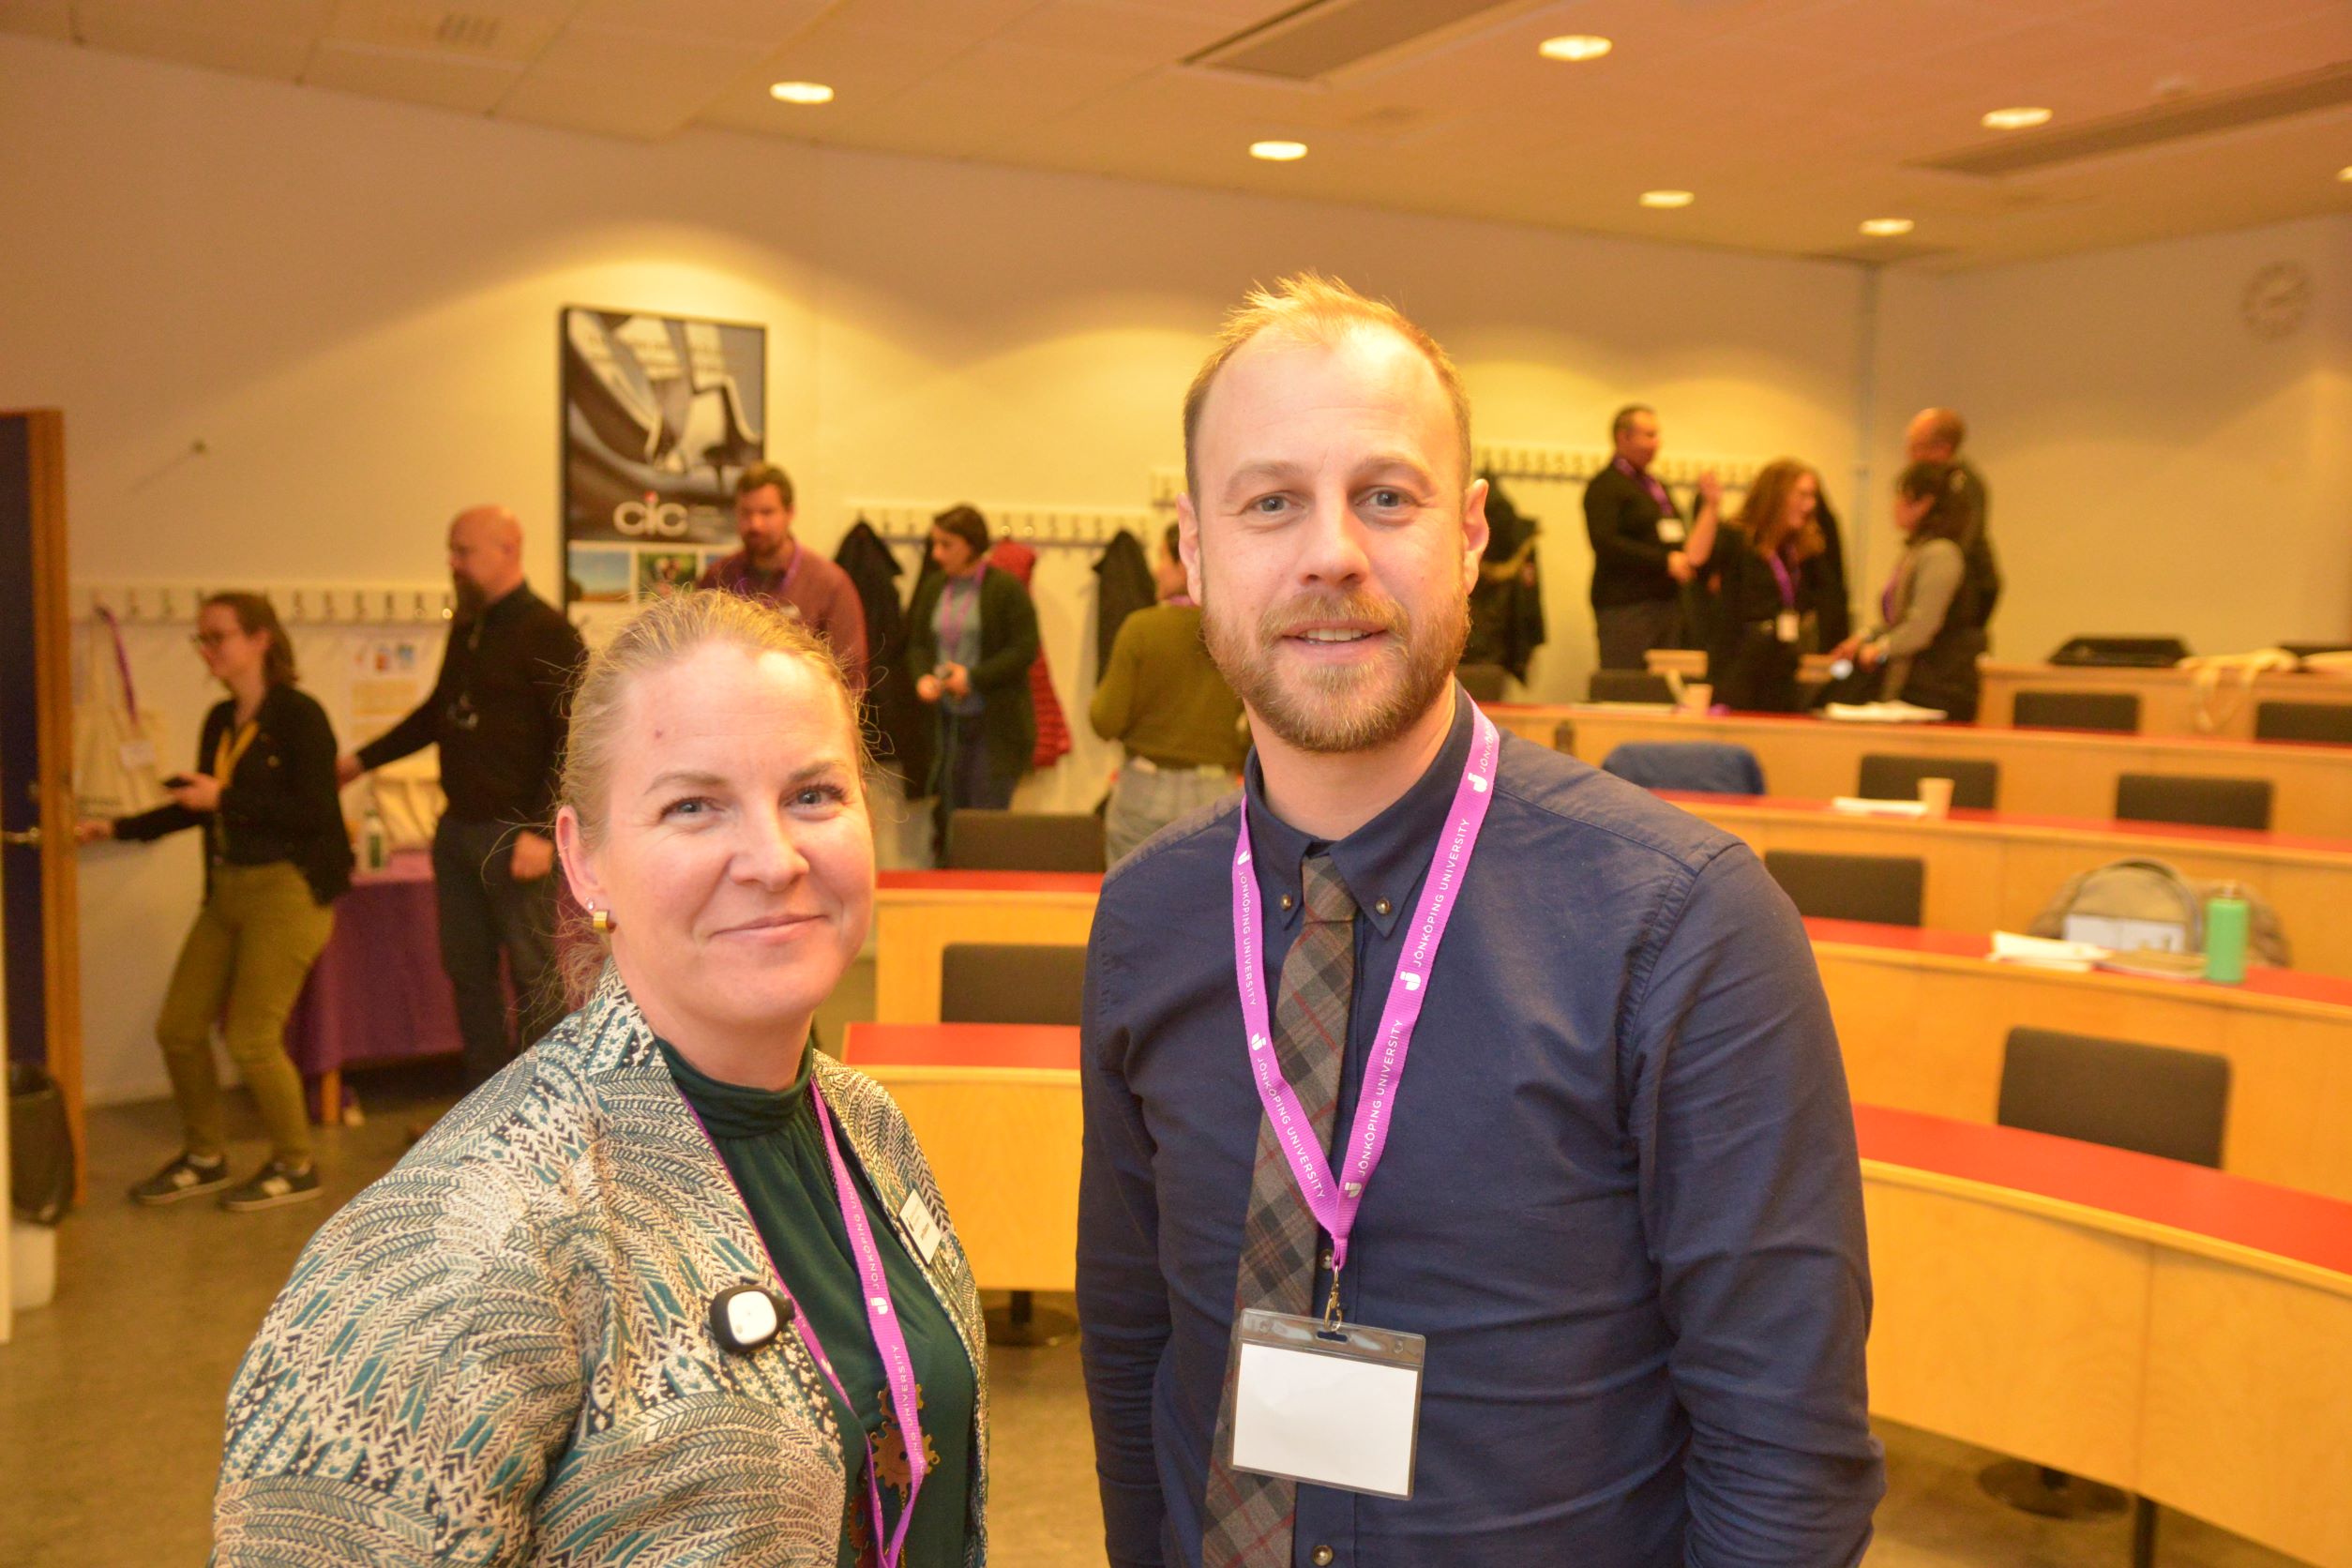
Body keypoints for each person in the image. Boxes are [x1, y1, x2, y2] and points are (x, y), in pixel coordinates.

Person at [1078, 274, 1882, 1567]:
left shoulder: (1684, 928)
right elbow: (1133, 1350)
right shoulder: (1148, 918)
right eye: (1270, 500)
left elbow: (1785, 1448)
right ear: (1192, 549)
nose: (1331, 551)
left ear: (1468, 533)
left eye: (1384, 497)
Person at [216, 594, 988, 1566]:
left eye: (813, 794)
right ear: (584, 862)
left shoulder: (868, 1127)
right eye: (693, 806)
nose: (774, 858)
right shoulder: (451, 1247)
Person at [80, 594, 351, 1211]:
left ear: (260, 639)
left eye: (218, 637)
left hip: (287, 891)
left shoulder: (300, 716)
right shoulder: (219, 720)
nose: (207, 650)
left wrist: (225, 798)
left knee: (253, 1038)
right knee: (178, 1028)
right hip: (227, 888)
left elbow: (315, 813)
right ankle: (205, 1156)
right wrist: (117, 828)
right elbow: (198, 805)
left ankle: (295, 1163)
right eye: (200, 640)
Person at [339, 505, 587, 1093]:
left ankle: (543, 1112)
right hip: (457, 832)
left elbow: (573, 737)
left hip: (514, 835)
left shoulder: (549, 632)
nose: (452, 563)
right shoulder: (469, 626)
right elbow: (438, 715)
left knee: (533, 979)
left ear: (508, 549)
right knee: (468, 975)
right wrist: (357, 763)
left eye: (463, 551)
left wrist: (540, 829)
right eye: (451, 551)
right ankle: (480, 1113)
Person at [1090, 523, 1247, 865]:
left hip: (1143, 790)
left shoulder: (1141, 629)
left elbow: (1105, 721)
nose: (1155, 568)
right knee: (1209, 910)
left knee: (1134, 907)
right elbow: (1258, 723)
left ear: (1185, 564)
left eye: (1162, 557)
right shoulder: (1236, 632)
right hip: (1216, 792)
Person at [906, 504, 1039, 856]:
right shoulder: (934, 587)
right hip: (946, 722)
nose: (936, 554)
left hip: (993, 727)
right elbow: (917, 643)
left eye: (945, 545)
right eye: (934, 544)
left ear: (970, 545)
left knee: (985, 822)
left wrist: (974, 678)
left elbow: (1025, 649)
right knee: (948, 815)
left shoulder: (1005, 588)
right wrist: (922, 677)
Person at [1832, 459, 1988, 721]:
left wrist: (1880, 650)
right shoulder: (1918, 551)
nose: (1894, 506)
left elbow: (1922, 625)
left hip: (1935, 687)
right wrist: (1866, 637)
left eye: (1901, 497)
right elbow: (1898, 619)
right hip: (1916, 683)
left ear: (1924, 503)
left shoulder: (1941, 553)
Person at [700, 462, 871, 691]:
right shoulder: (718, 577)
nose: (755, 524)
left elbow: (850, 677)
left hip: (805, 718)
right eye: (746, 513)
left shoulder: (830, 583)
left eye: (766, 512)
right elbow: (698, 659)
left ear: (790, 513)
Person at [1582, 403, 1722, 669]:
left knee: (1665, 685)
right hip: (1627, 607)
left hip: (1666, 604)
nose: (1656, 443)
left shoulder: (1655, 486)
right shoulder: (1605, 486)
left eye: (1657, 435)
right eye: (1649, 435)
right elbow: (1606, 543)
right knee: (1629, 685)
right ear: (1623, 437)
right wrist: (1665, 562)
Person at [1693, 459, 1827, 713]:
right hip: (1738, 670)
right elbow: (1696, 560)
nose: (1810, 505)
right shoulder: (1737, 537)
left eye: (1813, 497)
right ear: (1777, 494)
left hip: (1781, 670)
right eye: (1802, 495)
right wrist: (1711, 507)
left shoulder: (1794, 549)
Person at [1904, 406, 2000, 628]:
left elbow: (1960, 543)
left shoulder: (1961, 485)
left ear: (1943, 449)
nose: (1910, 455)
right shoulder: (1940, 482)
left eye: (1917, 446)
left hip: (1966, 593)